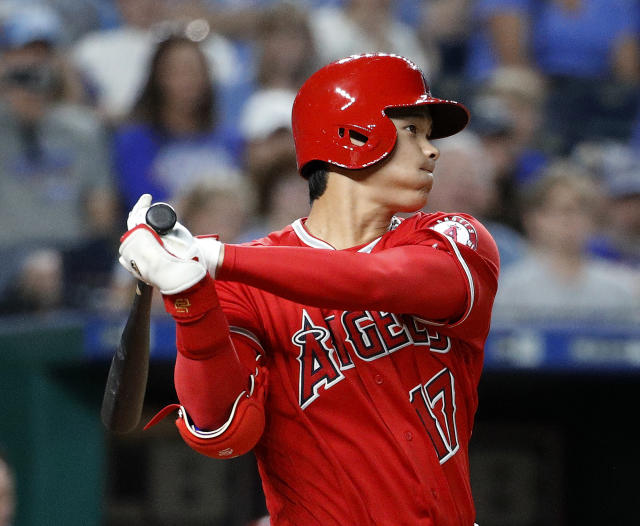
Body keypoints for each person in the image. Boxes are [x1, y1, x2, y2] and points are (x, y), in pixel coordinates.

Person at [118, 54, 499, 525]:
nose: (433, 150)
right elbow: (222, 430)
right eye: (413, 131)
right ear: (354, 136)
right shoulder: (244, 286)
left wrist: (216, 258)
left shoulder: (454, 237)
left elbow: (379, 280)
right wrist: (188, 296)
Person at [493, 161, 639, 321]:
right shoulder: (511, 288)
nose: (567, 220)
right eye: (557, 210)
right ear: (534, 220)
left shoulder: (618, 290)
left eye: (578, 210)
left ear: (593, 219)